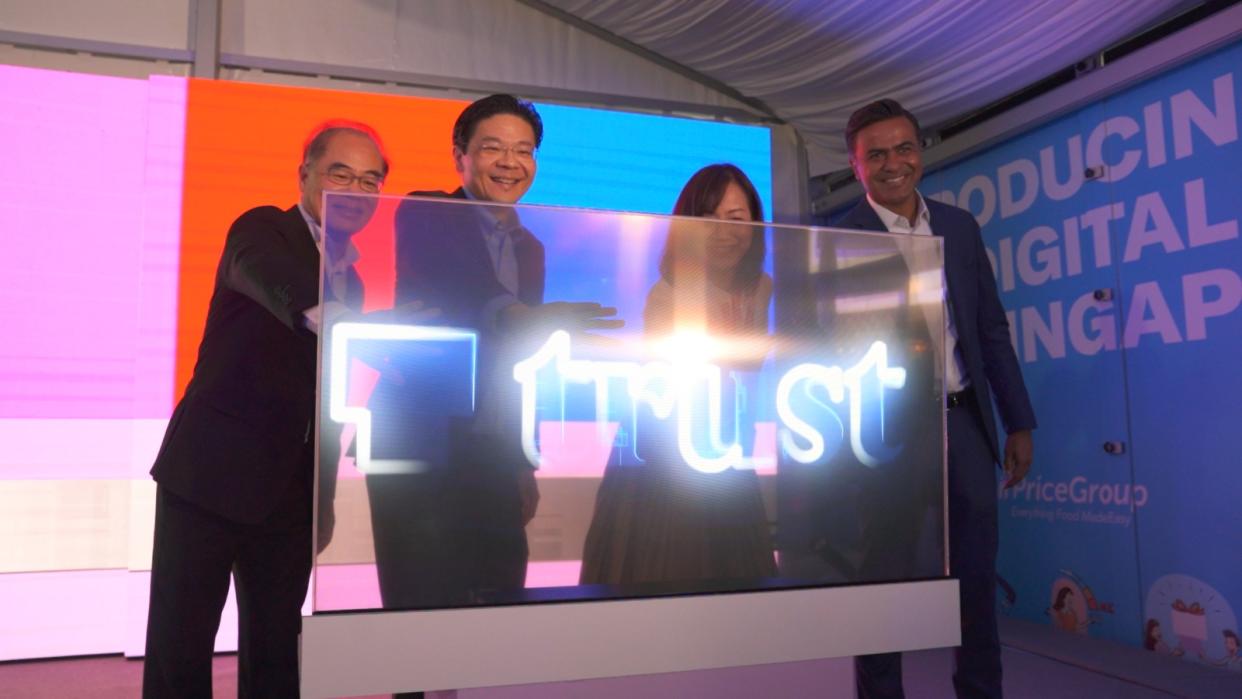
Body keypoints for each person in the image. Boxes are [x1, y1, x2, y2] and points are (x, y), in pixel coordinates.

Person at [143, 121, 389, 698]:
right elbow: (274, 280)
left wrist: (321, 500)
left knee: (277, 652)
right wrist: (334, 318)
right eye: (341, 174)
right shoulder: (261, 229)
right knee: (181, 646)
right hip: (208, 477)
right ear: (305, 173)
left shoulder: (351, 277)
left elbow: (327, 401)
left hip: (289, 493)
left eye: (371, 180)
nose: (356, 190)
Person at [368, 94, 619, 613]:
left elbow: (522, 363)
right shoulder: (427, 212)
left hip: (493, 449)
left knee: (498, 595)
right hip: (420, 439)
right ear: (460, 156)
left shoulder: (532, 248)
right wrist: (533, 317)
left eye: (524, 150)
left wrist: (523, 461)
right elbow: (460, 294)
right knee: (418, 604)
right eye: (493, 148)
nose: (510, 162)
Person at [834, 99, 1037, 699]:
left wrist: (1018, 421)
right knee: (883, 586)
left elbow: (991, 329)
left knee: (976, 581)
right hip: (881, 438)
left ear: (920, 150)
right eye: (877, 154)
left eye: (904, 148)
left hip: (964, 426)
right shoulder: (836, 236)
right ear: (856, 165)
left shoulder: (959, 227)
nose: (894, 163)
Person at [579, 163, 776, 590]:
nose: (723, 232)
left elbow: (749, 373)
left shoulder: (762, 287)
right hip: (665, 457)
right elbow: (677, 387)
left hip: (727, 449)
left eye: (736, 219)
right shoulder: (671, 290)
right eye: (707, 219)